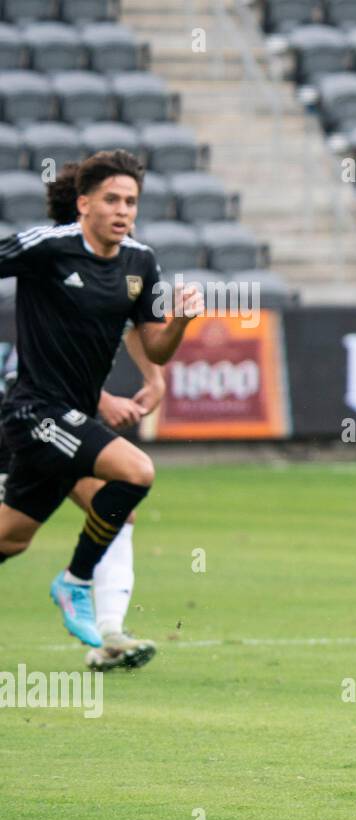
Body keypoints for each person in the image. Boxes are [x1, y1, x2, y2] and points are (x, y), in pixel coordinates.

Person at [0, 150, 203, 653]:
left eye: (131, 201)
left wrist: (178, 321)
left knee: (12, 538)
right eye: (112, 199)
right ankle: (76, 583)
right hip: (33, 410)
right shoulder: (48, 247)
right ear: (84, 203)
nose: (123, 210)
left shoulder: (140, 261)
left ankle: (108, 633)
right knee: (135, 472)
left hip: (74, 418)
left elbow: (154, 343)